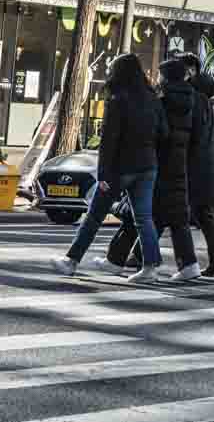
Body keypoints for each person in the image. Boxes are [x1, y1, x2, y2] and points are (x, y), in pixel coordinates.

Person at [52, 54, 167, 281]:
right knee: (144, 218)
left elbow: (108, 140)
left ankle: (71, 260)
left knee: (94, 216)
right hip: (147, 165)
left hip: (120, 168)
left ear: (118, 73)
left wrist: (103, 173)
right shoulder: (153, 99)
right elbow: (164, 133)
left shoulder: (118, 99)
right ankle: (151, 267)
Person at [106, 54, 201, 279]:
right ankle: (188, 265)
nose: (157, 78)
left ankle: (119, 261)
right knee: (176, 219)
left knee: (138, 215)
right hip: (179, 166)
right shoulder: (191, 100)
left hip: (158, 165)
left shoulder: (162, 101)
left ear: (166, 78)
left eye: (160, 75)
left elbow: (158, 133)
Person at [190, 68, 214, 276]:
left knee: (200, 214)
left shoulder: (197, 104)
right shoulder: (207, 105)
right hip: (205, 169)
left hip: (195, 169)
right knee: (205, 215)